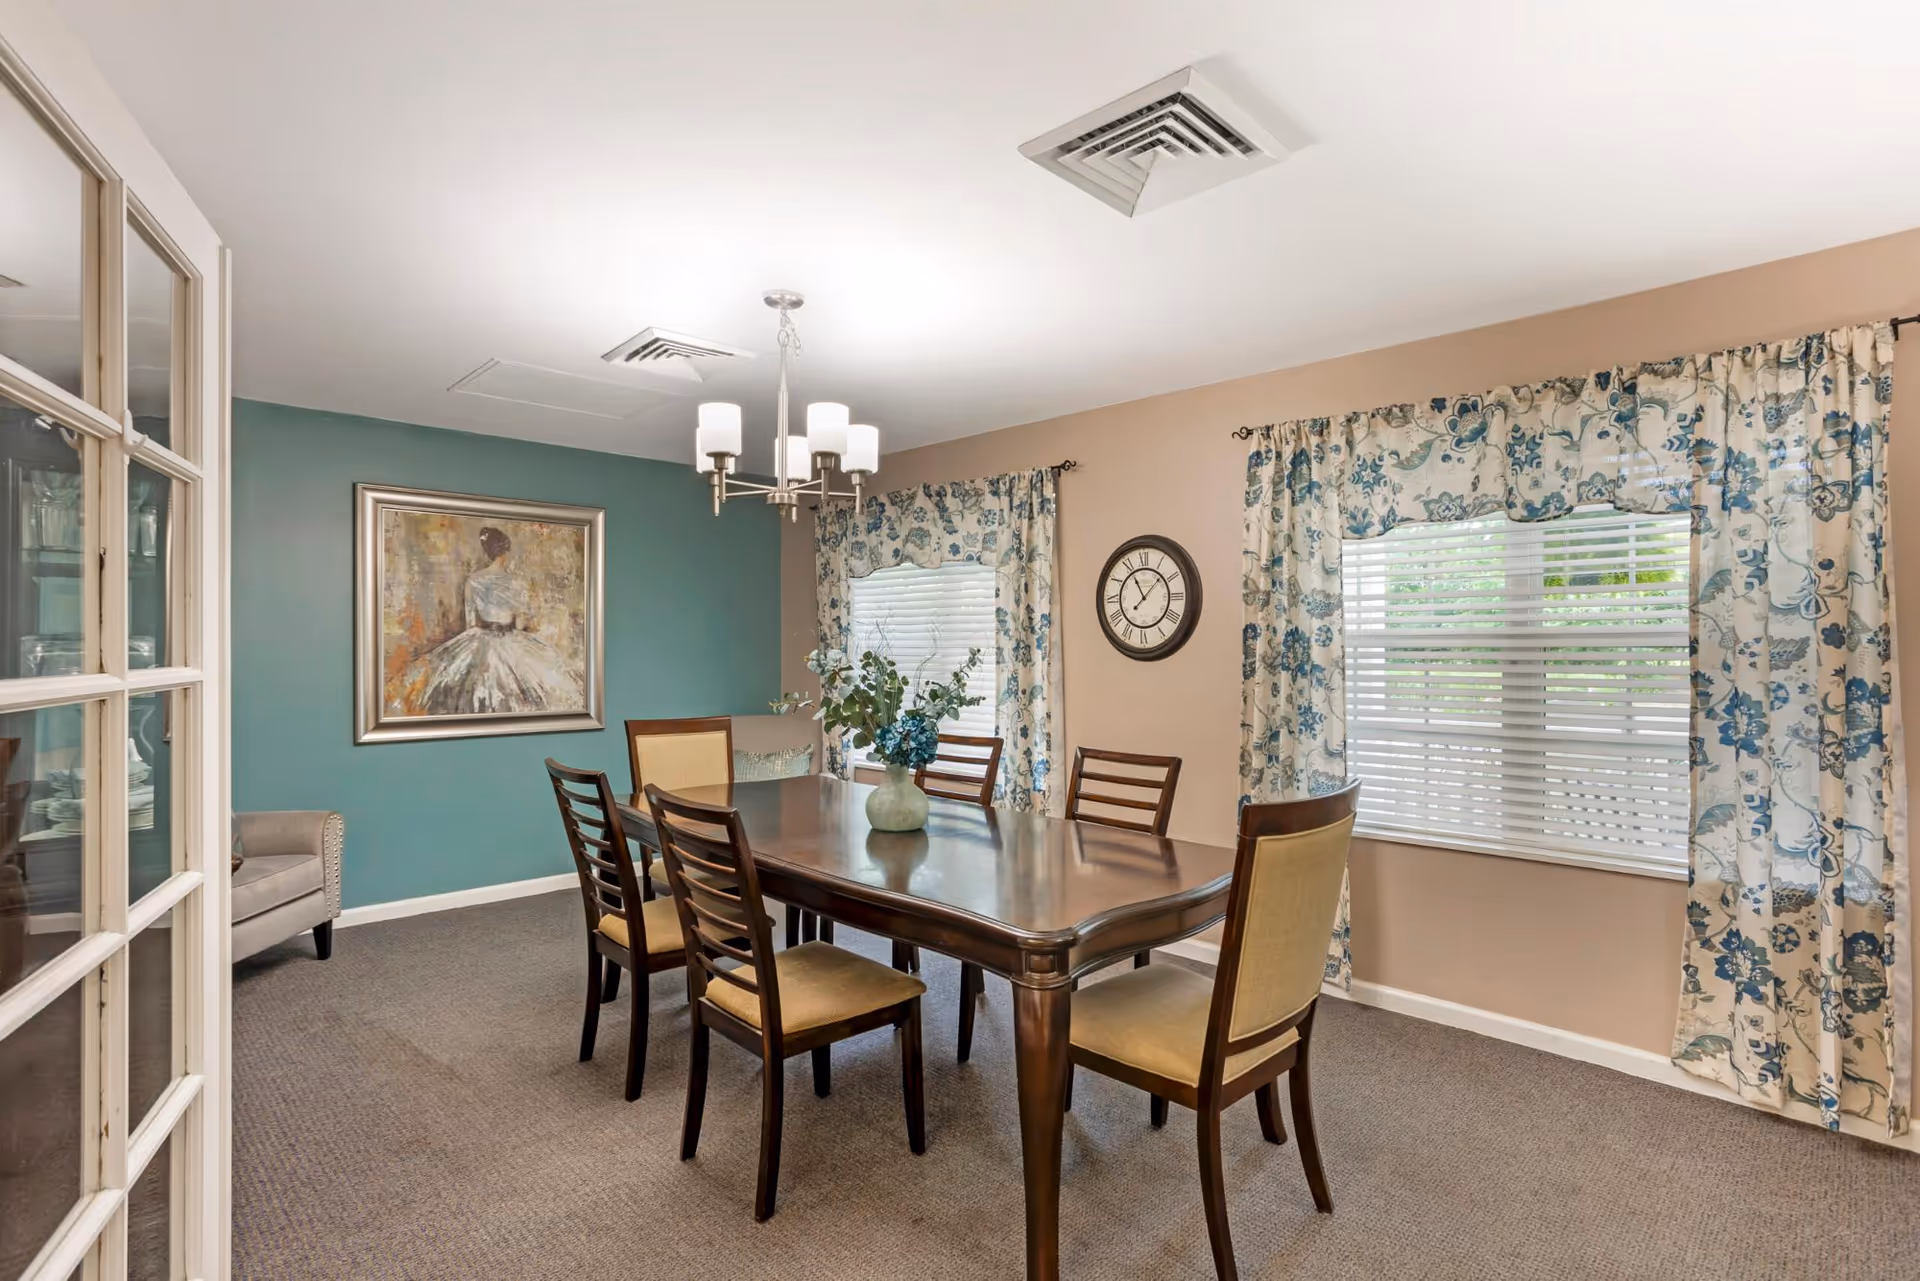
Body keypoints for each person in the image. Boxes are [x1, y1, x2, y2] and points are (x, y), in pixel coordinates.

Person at [406, 526, 583, 715]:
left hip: (480, 638)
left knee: (479, 687)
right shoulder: (516, 582)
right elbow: (520, 623)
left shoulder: (473, 579)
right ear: (506, 551)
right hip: (511, 640)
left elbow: (470, 622)